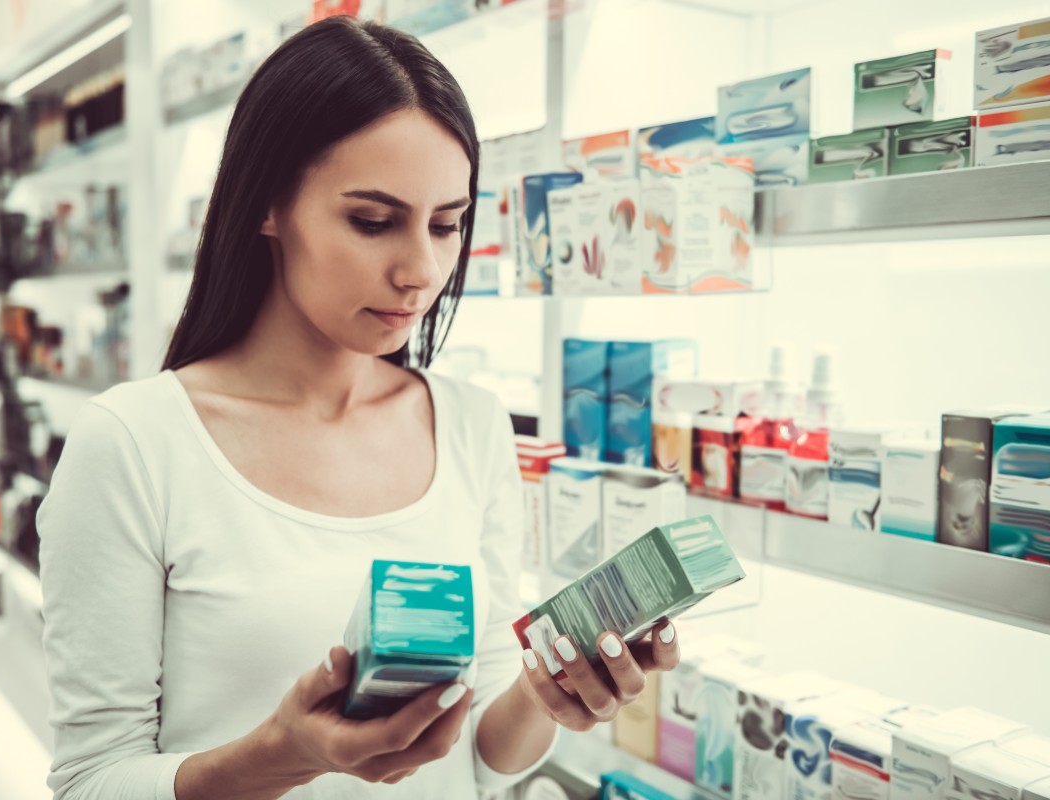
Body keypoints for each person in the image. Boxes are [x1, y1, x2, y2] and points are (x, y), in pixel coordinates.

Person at [37, 15, 681, 800]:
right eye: (373, 222)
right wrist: (281, 752)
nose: (422, 269)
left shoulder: (472, 427)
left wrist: (544, 697)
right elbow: (91, 780)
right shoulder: (134, 443)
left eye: (448, 225)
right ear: (267, 206)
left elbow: (483, 754)